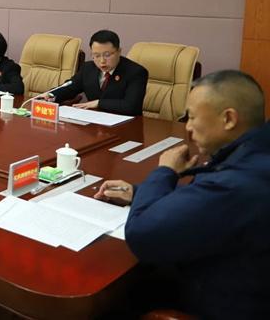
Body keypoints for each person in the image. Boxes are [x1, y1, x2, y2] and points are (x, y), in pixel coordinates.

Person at [94, 70, 270, 319]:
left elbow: (142, 235)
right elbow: (207, 200)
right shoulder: (256, 155)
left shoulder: (237, 182)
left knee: (108, 300)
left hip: (218, 300)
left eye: (193, 117)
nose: (187, 127)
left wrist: (164, 172)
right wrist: (139, 192)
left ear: (229, 119)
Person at [48, 29, 147, 116]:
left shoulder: (136, 72)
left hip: (125, 124)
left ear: (119, 51)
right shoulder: (87, 68)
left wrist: (99, 103)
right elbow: (70, 88)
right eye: (97, 55)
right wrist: (50, 96)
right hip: (94, 121)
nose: (102, 61)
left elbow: (131, 106)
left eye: (107, 55)